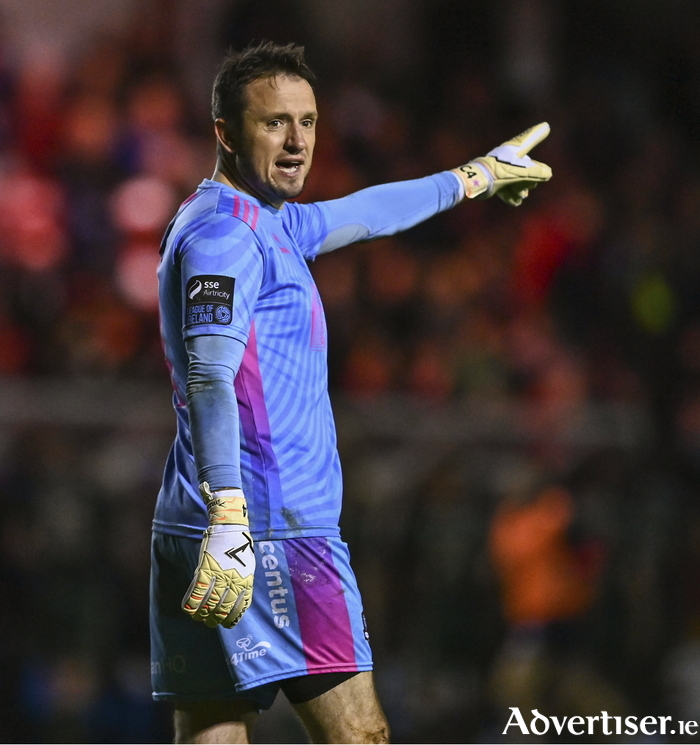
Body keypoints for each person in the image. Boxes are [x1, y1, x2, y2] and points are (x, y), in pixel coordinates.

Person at [151, 40, 552, 744]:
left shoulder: (266, 218)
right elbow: (212, 372)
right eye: (275, 122)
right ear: (224, 132)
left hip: (208, 526)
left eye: (308, 120)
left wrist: (476, 177)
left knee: (213, 730)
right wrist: (231, 510)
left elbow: (367, 209)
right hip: (266, 528)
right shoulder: (224, 236)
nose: (298, 140)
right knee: (359, 735)